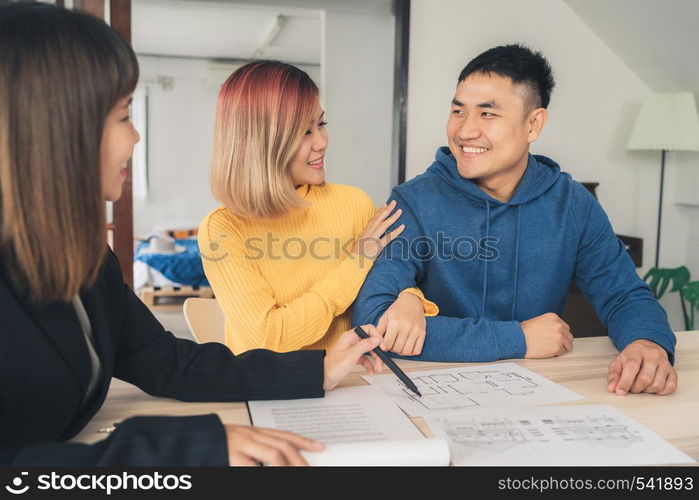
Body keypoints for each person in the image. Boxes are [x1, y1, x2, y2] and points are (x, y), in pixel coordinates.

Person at [0, 2, 385, 467]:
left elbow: (169, 363)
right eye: (124, 116)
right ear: (56, 128)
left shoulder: (85, 259)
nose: (137, 138)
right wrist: (180, 447)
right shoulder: (223, 227)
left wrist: (316, 370)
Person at [353, 44, 677, 396]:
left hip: (540, 391)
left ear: (533, 124)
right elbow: (373, 321)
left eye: (487, 114)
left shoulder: (572, 204)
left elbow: (624, 294)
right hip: (433, 389)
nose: (464, 131)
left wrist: (647, 342)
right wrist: (519, 338)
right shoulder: (413, 201)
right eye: (458, 111)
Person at [199, 61, 438, 356]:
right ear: (260, 142)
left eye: (321, 124)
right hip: (275, 390)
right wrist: (356, 261)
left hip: (358, 382)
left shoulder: (354, 203)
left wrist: (411, 298)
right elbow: (270, 338)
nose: (322, 142)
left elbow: (391, 285)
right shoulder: (223, 229)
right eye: (304, 132)